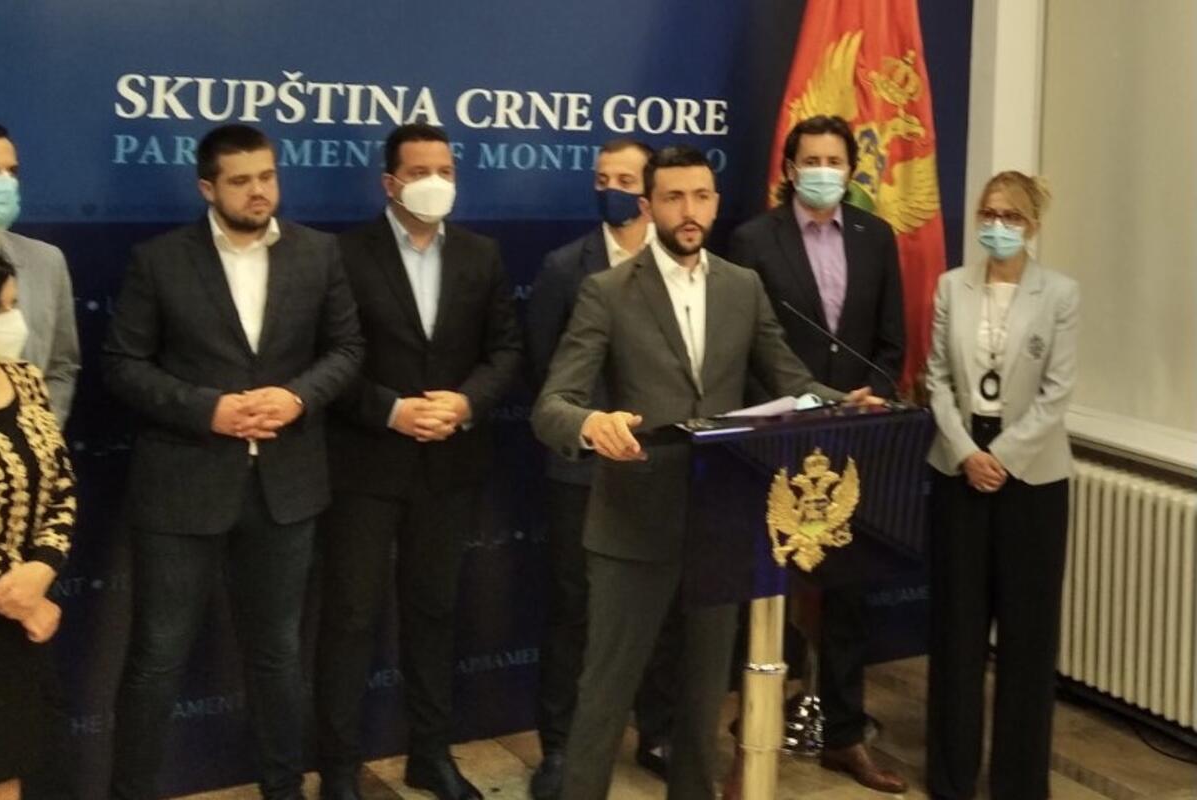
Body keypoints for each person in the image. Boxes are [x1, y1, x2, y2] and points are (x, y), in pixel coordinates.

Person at [532, 145, 879, 800]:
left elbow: (791, 381)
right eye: (673, 197)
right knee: (603, 699)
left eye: (700, 196)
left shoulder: (742, 287)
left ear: (716, 203)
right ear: (648, 205)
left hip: (719, 526)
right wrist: (592, 424)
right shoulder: (607, 291)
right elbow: (553, 405)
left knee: (699, 709)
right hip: (633, 525)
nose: (688, 211)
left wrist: (847, 405)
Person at [103, 124, 363, 800]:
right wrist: (207, 409)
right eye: (241, 180)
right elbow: (123, 364)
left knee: (278, 654)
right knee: (158, 657)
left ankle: (283, 788)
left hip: (286, 487)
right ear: (207, 188)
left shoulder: (318, 253)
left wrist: (297, 397)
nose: (258, 191)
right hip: (182, 486)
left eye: (267, 176)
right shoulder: (159, 260)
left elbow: (346, 351)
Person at [314, 123, 522, 800]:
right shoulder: (343, 254)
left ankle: (430, 755)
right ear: (390, 183)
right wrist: (391, 411)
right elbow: (329, 357)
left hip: (448, 463)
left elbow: (505, 350)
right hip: (366, 464)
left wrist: (465, 403)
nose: (436, 182)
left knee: (434, 612)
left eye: (446, 170)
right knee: (350, 618)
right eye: (420, 171)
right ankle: (339, 770)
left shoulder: (481, 255)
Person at [728, 114, 907, 793]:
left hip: (857, 441)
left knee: (848, 594)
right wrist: (798, 410)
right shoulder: (752, 240)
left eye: (836, 160)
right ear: (789, 168)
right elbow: (745, 344)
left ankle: (843, 735)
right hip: (780, 440)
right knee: (767, 595)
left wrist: (867, 404)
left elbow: (890, 341)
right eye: (813, 160)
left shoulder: (876, 236)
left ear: (851, 170)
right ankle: (755, 731)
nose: (825, 171)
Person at [525, 138, 678, 798]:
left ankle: (659, 731)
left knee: (662, 608)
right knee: (574, 611)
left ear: (649, 192)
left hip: (661, 467)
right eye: (602, 179)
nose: (610, 189)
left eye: (624, 179)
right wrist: (591, 429)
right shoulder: (566, 268)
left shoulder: (678, 267)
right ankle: (560, 748)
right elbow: (547, 372)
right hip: (583, 470)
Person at [925, 171, 1078, 800]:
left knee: (1027, 637)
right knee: (957, 631)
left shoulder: (1060, 293)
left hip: (1032, 478)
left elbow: (1057, 392)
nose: (998, 225)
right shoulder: (951, 287)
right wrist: (967, 452)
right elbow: (936, 380)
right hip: (958, 466)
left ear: (1033, 225)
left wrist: (1004, 457)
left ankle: (1018, 782)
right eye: (989, 214)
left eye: (1011, 216)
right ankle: (951, 777)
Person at [0, 252, 77, 800]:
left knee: (11, 762)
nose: (14, 322)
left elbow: (62, 484)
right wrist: (16, 593)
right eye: (1, 310)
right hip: (13, 603)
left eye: (14, 306)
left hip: (18, 618)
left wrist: (42, 568)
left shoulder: (25, 379)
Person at [0, 124, 82, 426]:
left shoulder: (46, 262)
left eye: (12, 172)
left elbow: (61, 366)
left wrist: (40, 431)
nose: (6, 183)